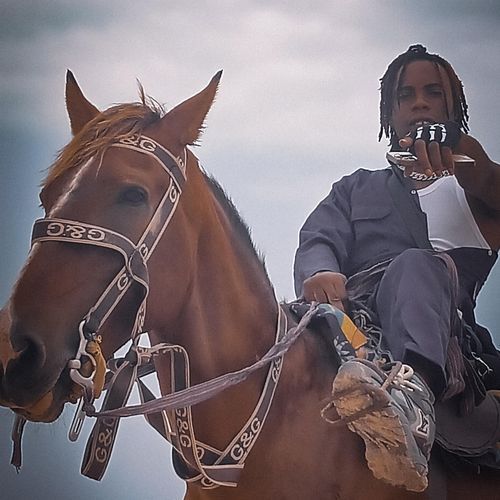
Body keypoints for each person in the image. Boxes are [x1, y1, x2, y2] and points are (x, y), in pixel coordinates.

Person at [293, 44, 500, 492]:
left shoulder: (478, 192)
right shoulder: (354, 189)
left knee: (415, 265)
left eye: (433, 93)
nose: (419, 103)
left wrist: (464, 152)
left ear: (454, 107)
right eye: (406, 95)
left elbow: (489, 179)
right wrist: (319, 271)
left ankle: (413, 398)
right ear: (390, 112)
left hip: (444, 335)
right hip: (350, 323)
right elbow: (319, 239)